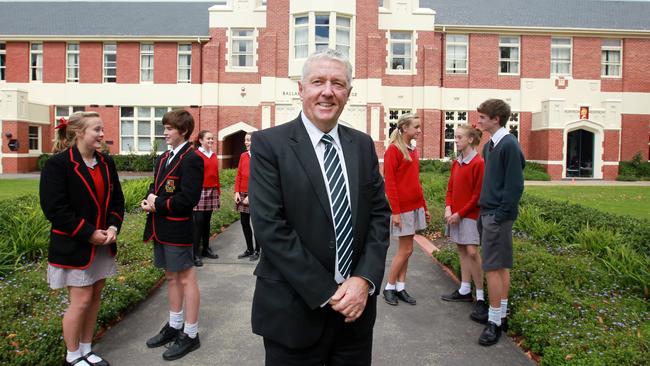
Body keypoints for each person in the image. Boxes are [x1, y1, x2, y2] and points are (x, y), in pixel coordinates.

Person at [248, 49, 391, 365]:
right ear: (301, 89)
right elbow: (270, 227)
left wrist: (364, 279)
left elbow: (379, 216)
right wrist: (331, 292)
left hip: (355, 317)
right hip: (293, 314)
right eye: (318, 82)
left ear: (348, 94)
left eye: (338, 83)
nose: (328, 91)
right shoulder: (269, 145)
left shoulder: (363, 146)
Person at [40, 111, 125, 366]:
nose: (102, 134)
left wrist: (112, 227)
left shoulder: (106, 163)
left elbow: (117, 200)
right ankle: (72, 356)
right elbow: (55, 209)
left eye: (102, 129)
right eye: (96, 130)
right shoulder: (57, 165)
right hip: (74, 245)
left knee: (95, 296)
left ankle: (87, 350)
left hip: (102, 244)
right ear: (79, 133)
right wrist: (89, 234)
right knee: (81, 300)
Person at [142, 109, 204, 360]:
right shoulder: (164, 157)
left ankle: (191, 333)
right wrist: (148, 200)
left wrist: (158, 203)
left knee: (186, 278)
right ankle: (175, 325)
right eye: (164, 127)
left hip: (178, 228)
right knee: (171, 277)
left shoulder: (192, 158)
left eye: (169, 128)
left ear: (184, 131)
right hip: (161, 227)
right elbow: (154, 188)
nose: (164, 132)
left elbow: (188, 199)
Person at [474, 99, 525, 346]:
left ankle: (494, 322)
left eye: (483, 117)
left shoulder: (509, 145)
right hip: (489, 213)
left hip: (496, 216)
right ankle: (500, 315)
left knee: (493, 268)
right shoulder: (490, 145)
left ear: (496, 119)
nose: (478, 121)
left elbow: (515, 185)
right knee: (500, 266)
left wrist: (500, 215)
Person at [382, 113, 431, 306]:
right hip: (402, 209)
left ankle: (400, 287)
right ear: (404, 128)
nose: (419, 130)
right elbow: (390, 184)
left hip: (415, 207)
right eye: (416, 127)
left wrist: (424, 206)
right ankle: (389, 287)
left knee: (408, 250)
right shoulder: (393, 151)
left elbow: (415, 183)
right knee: (405, 250)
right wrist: (395, 211)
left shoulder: (413, 150)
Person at [441, 125, 487, 320]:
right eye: (455, 137)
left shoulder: (479, 163)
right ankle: (464, 289)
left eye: (459, 137)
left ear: (470, 139)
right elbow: (450, 188)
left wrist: (460, 213)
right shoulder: (457, 162)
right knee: (461, 249)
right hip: (455, 214)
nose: (456, 140)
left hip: (469, 215)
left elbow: (477, 195)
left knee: (472, 252)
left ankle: (481, 297)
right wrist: (448, 207)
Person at [192, 130, 221, 267]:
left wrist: (218, 192)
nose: (211, 141)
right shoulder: (195, 155)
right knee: (198, 223)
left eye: (212, 138)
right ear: (201, 140)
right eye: (208, 138)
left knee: (207, 222)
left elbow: (216, 175)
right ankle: (195, 253)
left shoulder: (214, 155)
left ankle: (206, 249)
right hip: (200, 192)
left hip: (212, 190)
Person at [235, 132, 260, 261]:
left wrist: (251, 195)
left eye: (249, 140)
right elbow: (239, 174)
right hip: (242, 193)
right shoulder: (243, 156)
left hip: (255, 194)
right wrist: (236, 192)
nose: (246, 142)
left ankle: (257, 251)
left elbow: (260, 178)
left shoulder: (260, 157)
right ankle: (249, 249)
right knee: (244, 223)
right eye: (245, 140)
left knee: (256, 225)